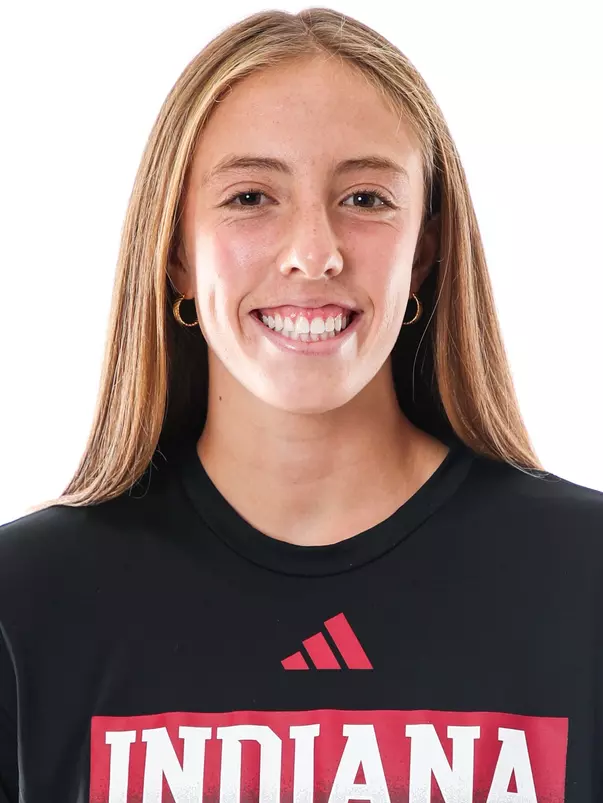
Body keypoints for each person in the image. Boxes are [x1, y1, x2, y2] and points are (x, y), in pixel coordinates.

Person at [0, 6, 602, 801]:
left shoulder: (583, 581)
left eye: (364, 198)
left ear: (423, 249)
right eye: (251, 197)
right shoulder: (27, 602)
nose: (312, 252)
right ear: (176, 253)